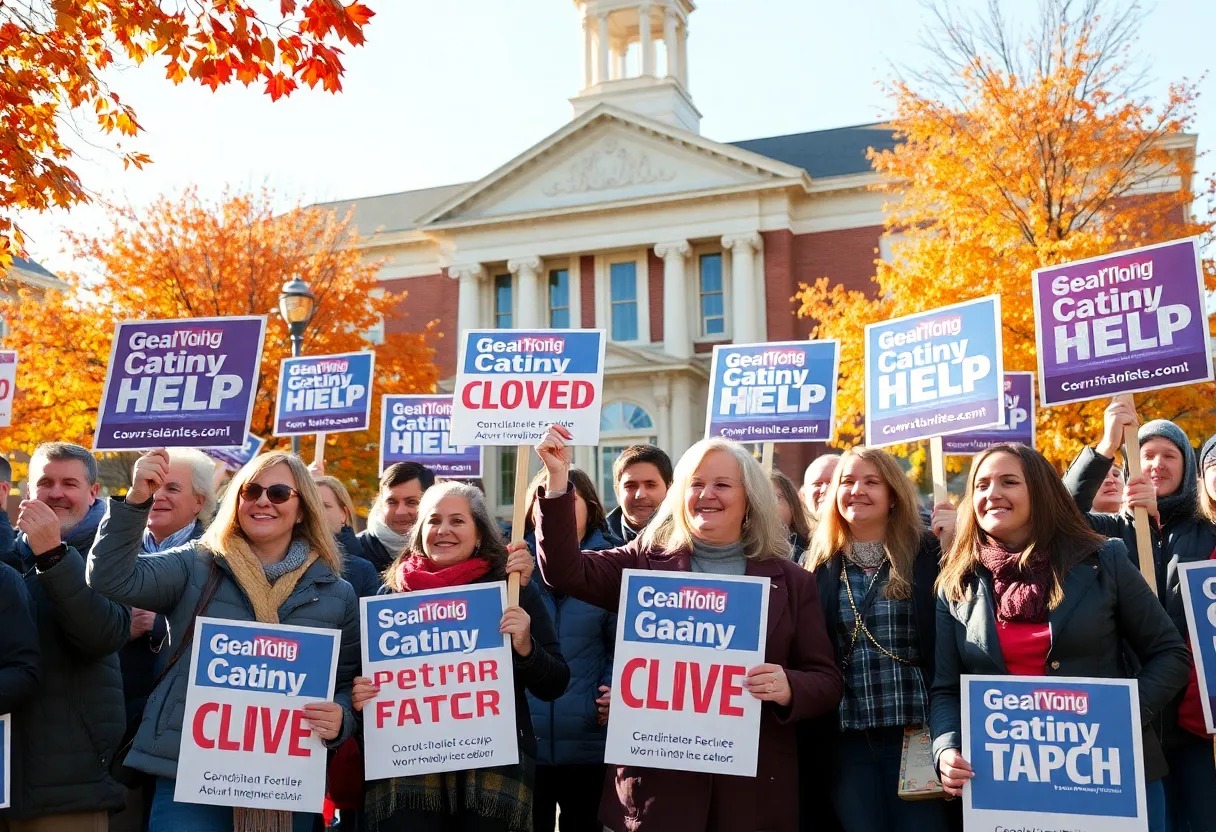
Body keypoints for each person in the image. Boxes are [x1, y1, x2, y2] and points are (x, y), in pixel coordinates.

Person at [534, 424, 842, 832]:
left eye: (722, 484)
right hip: (659, 795)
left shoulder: (792, 580)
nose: (707, 494)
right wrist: (558, 479)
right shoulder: (643, 562)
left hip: (748, 795)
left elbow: (826, 680)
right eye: (696, 483)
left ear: (749, 499)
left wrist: (789, 686)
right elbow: (563, 571)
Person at [86, 449, 360, 832]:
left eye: (279, 493)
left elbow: (345, 684)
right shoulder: (195, 564)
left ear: (302, 510)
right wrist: (135, 501)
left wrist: (341, 717)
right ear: (237, 500)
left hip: (284, 782)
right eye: (251, 490)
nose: (263, 501)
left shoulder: (336, 593)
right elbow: (109, 578)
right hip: (188, 778)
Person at [933, 443, 1190, 832]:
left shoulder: (1105, 559)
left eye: (1009, 482)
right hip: (1009, 787)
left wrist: (1120, 717)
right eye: (981, 485)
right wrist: (946, 749)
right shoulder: (956, 583)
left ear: (1039, 490)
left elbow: (1170, 655)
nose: (992, 494)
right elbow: (946, 690)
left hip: (1113, 777)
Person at [351, 481, 569, 832]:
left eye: (457, 521)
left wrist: (526, 645)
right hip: (407, 777)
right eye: (433, 521)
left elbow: (555, 683)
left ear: (480, 534)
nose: (443, 531)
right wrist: (359, 693)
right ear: (419, 532)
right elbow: (363, 680)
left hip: (491, 776)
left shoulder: (510, 591)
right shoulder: (388, 596)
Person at [1063, 401, 1216, 830]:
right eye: (1146, 455)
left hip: (1197, 725)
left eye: (1169, 455)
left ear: (1188, 469)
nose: (1156, 464)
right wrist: (1107, 445)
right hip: (1132, 721)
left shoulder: (1207, 528)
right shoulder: (1109, 532)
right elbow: (1058, 513)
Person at [801, 447, 952, 832]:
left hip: (918, 736)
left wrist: (956, 545)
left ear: (893, 495)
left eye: (872, 481)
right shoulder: (815, 564)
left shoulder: (929, 553)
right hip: (848, 739)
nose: (857, 490)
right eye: (848, 481)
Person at [0, 443, 131, 832]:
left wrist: (53, 556)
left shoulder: (112, 558)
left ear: (93, 493)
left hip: (67, 784)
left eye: (69, 483)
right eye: (45, 483)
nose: (56, 493)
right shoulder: (6, 558)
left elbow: (101, 635)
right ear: (28, 494)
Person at [115, 448, 219, 832]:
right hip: (118, 722)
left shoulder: (219, 559)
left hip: (186, 734)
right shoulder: (109, 546)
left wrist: (165, 622)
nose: (158, 494)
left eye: (172, 487)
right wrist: (115, 626)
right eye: (152, 483)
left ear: (200, 502)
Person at [522, 467, 620, 832]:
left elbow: (622, 646)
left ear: (590, 507)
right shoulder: (510, 567)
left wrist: (613, 692)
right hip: (526, 744)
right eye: (544, 499)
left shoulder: (611, 564)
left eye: (568, 499)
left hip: (590, 740)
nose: (555, 508)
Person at [313, 471, 383, 598]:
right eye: (310, 506)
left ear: (343, 514)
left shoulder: (362, 570)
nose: (316, 513)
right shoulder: (281, 558)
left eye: (324, 506)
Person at [358, 462, 435, 571]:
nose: (400, 512)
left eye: (411, 502)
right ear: (381, 503)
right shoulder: (354, 550)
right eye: (392, 502)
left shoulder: (447, 548)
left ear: (431, 502)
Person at [605, 445, 672, 544]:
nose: (640, 495)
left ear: (669, 489)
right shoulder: (593, 542)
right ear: (617, 491)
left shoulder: (692, 540)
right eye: (630, 486)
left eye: (650, 485)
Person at [771, 470, 811, 563]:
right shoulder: (742, 551)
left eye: (777, 497)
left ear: (792, 505)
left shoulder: (812, 551)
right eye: (763, 497)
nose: (769, 504)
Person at [801, 454, 841, 535]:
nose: (825, 489)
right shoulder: (791, 543)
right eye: (817, 484)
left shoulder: (862, 539)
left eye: (833, 482)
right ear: (803, 495)